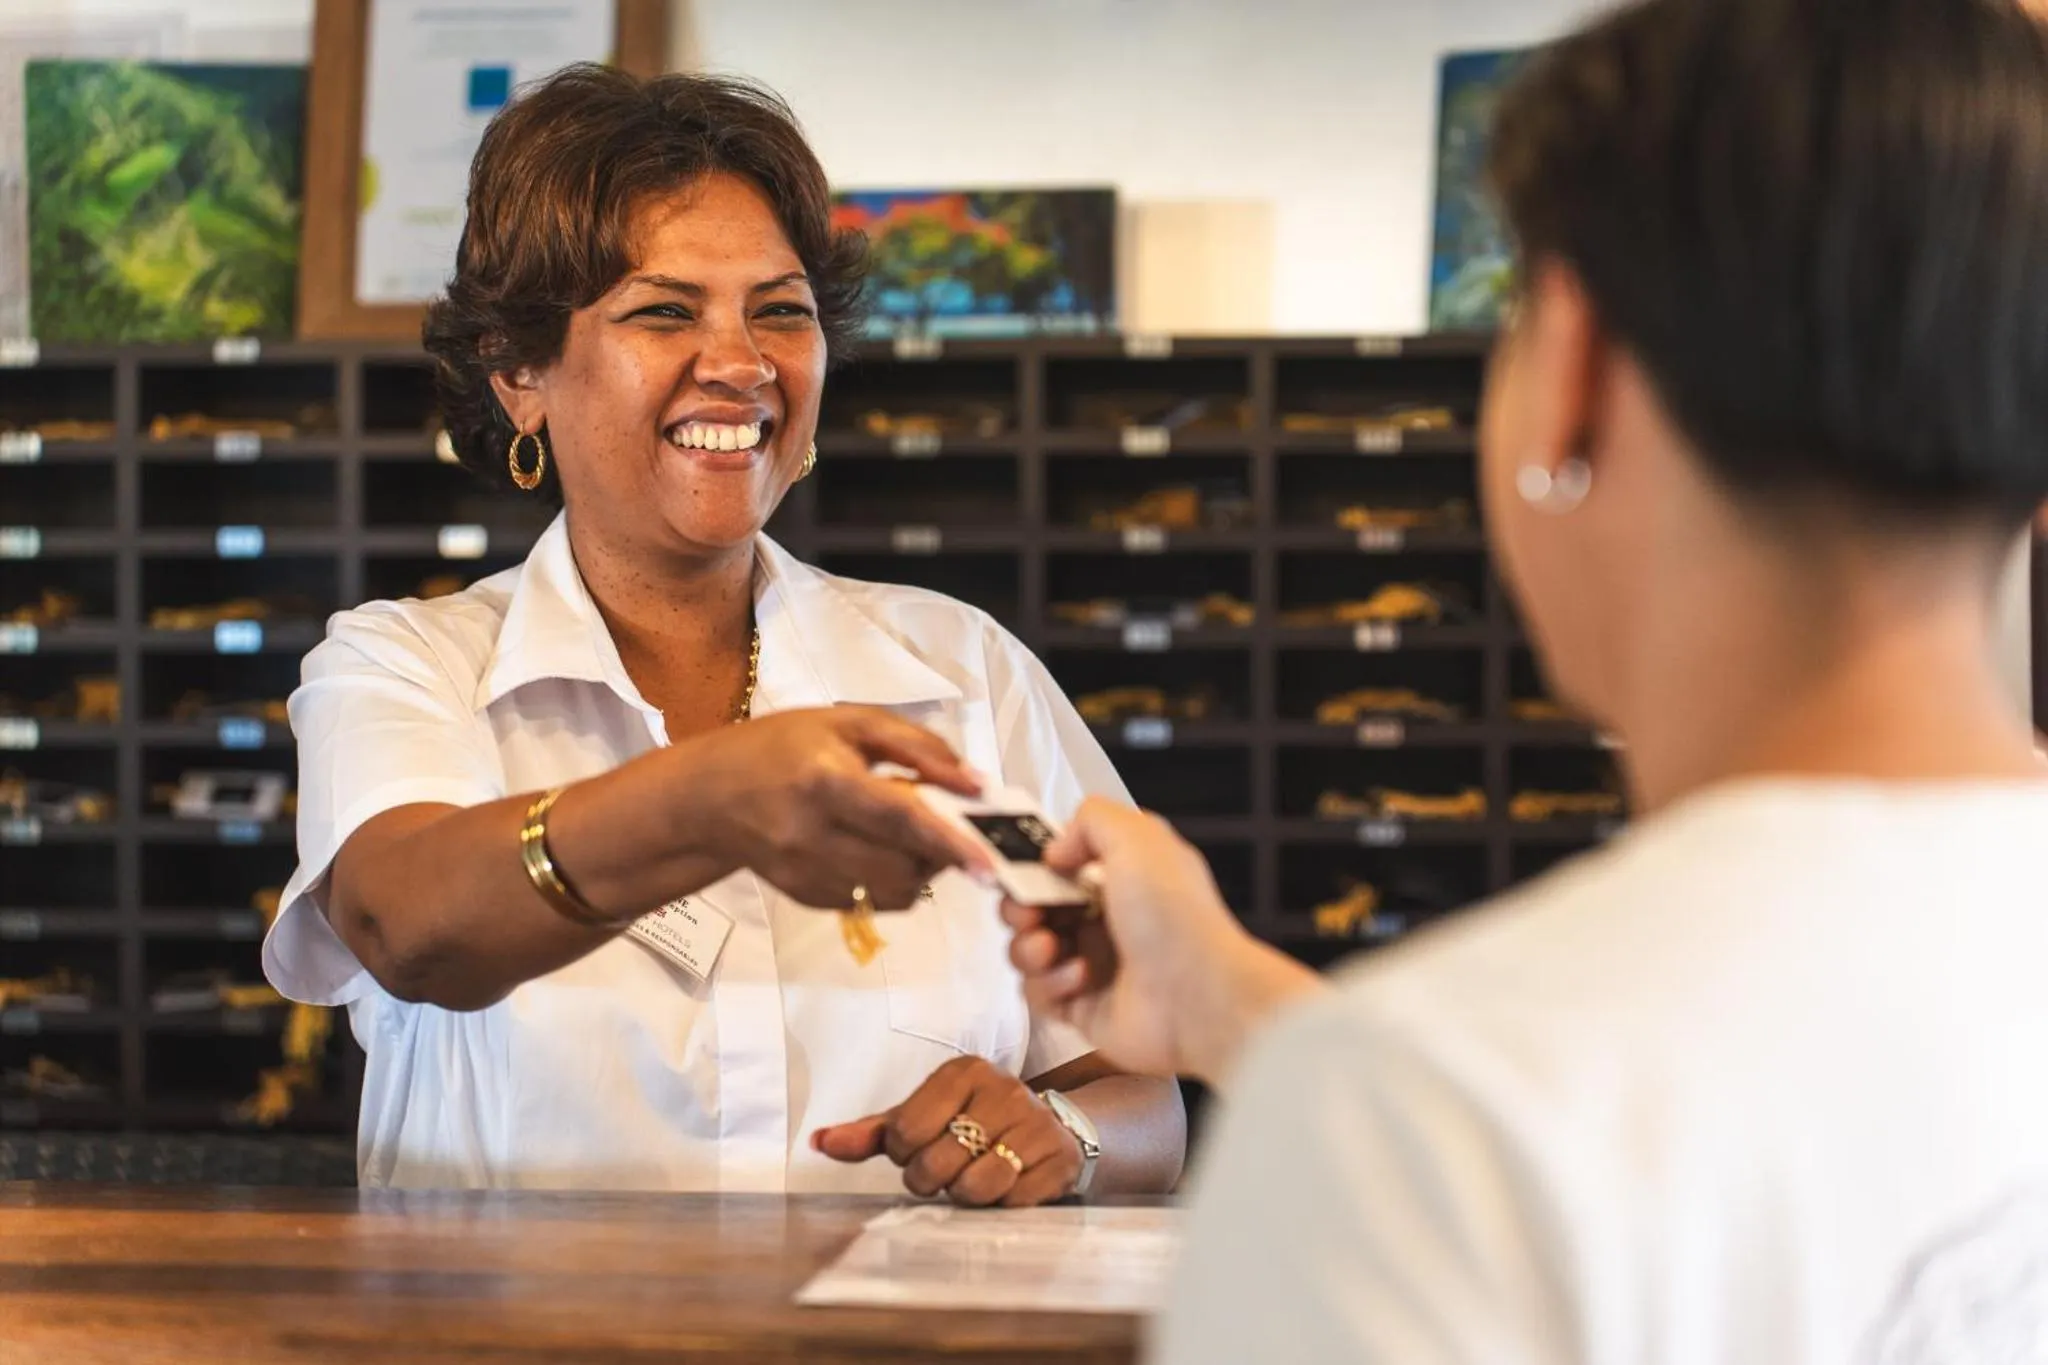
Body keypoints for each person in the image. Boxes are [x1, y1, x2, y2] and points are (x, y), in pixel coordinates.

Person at [1005, 0, 2048, 1358]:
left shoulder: (1416, 1121)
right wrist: (1227, 1003)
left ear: (1577, 372)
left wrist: (1343, 1082)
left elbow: (1498, 1122)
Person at [262, 64, 1183, 1200]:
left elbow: (1142, 1089)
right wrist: (715, 799)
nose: (743, 363)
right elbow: (413, 926)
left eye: (780, 311)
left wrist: (1063, 1134)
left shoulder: (962, 674)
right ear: (518, 375)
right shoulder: (409, 666)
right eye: (662, 310)